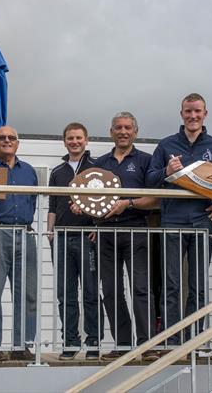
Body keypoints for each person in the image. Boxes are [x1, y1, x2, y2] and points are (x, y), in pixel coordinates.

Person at [76, 112, 158, 361]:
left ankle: (147, 345)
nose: (123, 132)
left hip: (136, 231)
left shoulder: (147, 161)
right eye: (118, 128)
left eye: (127, 128)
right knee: (111, 291)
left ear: (135, 131)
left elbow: (156, 200)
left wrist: (128, 203)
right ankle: (123, 345)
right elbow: (91, 199)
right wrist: (86, 211)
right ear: (111, 132)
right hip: (106, 234)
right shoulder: (99, 164)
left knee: (141, 289)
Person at [146, 93, 212, 347]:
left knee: (198, 285)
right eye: (188, 111)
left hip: (202, 221)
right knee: (171, 284)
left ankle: (195, 338)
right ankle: (172, 338)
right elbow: (150, 180)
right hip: (172, 221)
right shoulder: (166, 145)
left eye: (197, 111)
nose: (193, 116)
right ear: (181, 114)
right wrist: (167, 171)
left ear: (205, 114)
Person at [0, 126, 39, 361]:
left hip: (25, 233)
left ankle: (22, 345)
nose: (7, 140)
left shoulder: (29, 171)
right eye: (1, 138)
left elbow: (31, 202)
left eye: (12, 137)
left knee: (28, 294)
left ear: (18, 143)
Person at [47, 122, 101, 360]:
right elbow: (52, 205)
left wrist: (98, 226)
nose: (75, 141)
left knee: (90, 292)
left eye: (79, 138)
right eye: (70, 138)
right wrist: (50, 232)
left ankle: (93, 342)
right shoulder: (57, 171)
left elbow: (104, 202)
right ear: (64, 141)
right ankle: (70, 341)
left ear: (86, 140)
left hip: (86, 237)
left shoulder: (95, 168)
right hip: (61, 237)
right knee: (65, 293)